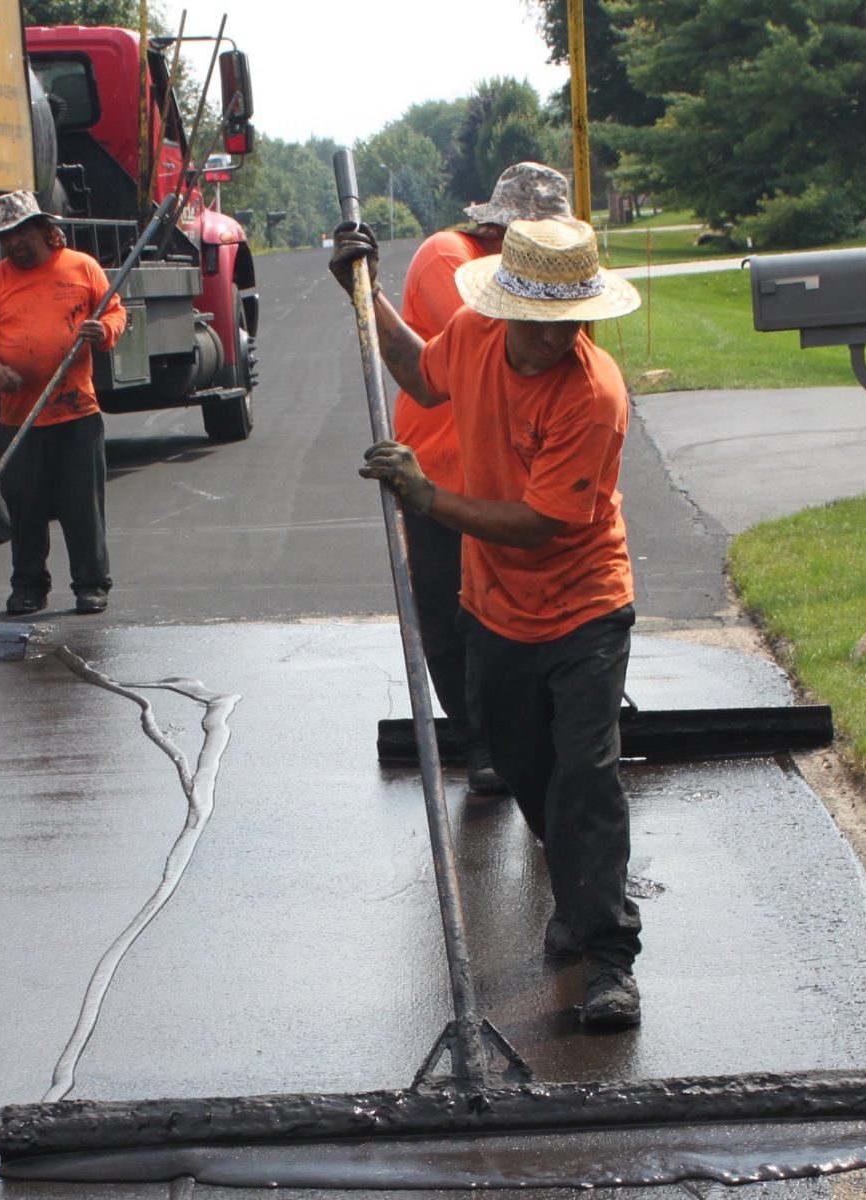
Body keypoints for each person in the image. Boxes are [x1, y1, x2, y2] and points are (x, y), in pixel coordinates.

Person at [330, 214, 646, 1029]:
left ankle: (610, 956)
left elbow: (544, 524)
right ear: (505, 307)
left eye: (568, 324)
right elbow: (419, 373)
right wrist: (360, 294)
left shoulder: (593, 391)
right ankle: (578, 900)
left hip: (584, 607)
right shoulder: (472, 335)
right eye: (538, 323)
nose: (553, 340)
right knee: (526, 768)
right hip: (496, 611)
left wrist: (429, 497)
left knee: (587, 775)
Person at [392, 162, 572, 797]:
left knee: (515, 608)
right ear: (505, 230)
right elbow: (493, 332)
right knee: (451, 612)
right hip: (440, 468)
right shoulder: (451, 256)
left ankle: (533, 727)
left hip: (504, 468)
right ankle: (479, 741)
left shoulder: (534, 285)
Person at [0, 191, 127, 616]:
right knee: (25, 506)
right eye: (3, 237)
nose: (13, 243)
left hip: (76, 411)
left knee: (81, 504)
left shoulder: (81, 267)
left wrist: (102, 331)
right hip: (19, 417)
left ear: (43, 229)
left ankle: (91, 584)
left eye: (20, 233)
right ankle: (29, 587)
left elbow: (116, 313)